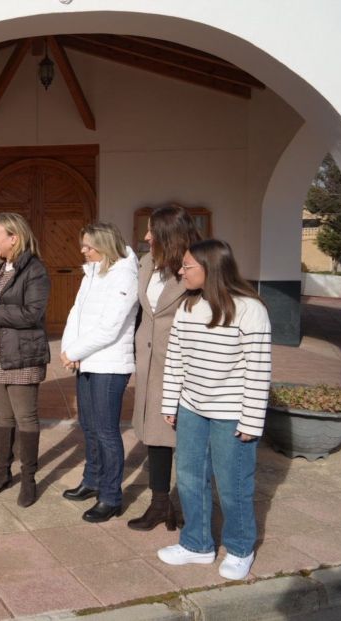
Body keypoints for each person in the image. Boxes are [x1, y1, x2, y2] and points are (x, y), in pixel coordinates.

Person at [156, 239, 271, 581]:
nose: (181, 271)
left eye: (187, 266)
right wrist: (171, 403)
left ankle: (240, 548)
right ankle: (197, 544)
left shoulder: (250, 309)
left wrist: (251, 419)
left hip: (232, 413)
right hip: (191, 408)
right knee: (190, 478)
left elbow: (258, 368)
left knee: (233, 483)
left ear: (211, 268)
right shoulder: (188, 307)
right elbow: (175, 359)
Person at [129, 205, 201, 531]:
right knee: (155, 436)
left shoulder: (197, 269)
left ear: (168, 235)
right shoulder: (147, 264)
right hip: (149, 363)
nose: (145, 237)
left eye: (151, 231)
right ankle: (160, 504)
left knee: (187, 437)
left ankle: (189, 504)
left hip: (183, 365)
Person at [60, 223, 139, 522]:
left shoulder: (125, 275)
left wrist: (75, 352)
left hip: (109, 364)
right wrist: (69, 349)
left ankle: (110, 496)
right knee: (88, 425)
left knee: (106, 431)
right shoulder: (92, 272)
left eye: (88, 247)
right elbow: (75, 313)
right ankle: (92, 480)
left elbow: (110, 326)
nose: (82, 251)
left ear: (104, 247)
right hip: (85, 361)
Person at [0, 212, 51, 508]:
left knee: (25, 416)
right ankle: (2, 472)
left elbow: (33, 313)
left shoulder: (35, 270)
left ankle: (28, 478)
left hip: (22, 350)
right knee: (2, 415)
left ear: (13, 237)